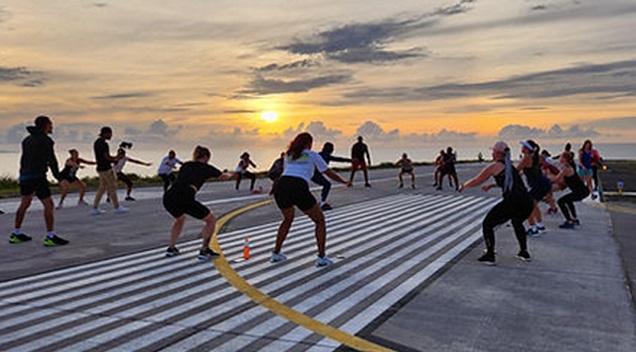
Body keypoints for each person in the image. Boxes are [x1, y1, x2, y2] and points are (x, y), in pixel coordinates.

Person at [271, 132, 351, 267]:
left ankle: (276, 253)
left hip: (281, 186)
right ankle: (321, 257)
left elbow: (284, 173)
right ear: (308, 143)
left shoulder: (288, 155)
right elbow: (328, 172)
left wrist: (274, 187)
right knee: (319, 220)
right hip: (298, 186)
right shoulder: (313, 155)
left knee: (287, 219)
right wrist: (344, 181)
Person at [458, 141, 534, 265]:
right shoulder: (510, 167)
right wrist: (492, 185)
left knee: (487, 224)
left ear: (498, 153)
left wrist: (463, 186)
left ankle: (490, 255)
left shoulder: (496, 166)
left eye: (493, 151)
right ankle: (524, 252)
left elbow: (478, 180)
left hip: (513, 202)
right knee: (517, 222)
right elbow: (510, 184)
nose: (492, 153)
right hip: (526, 202)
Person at [163, 146, 233, 259]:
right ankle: (204, 250)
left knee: (180, 219)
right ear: (206, 157)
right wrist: (231, 173)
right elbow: (223, 176)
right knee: (211, 220)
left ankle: (171, 248)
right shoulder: (205, 167)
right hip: (185, 195)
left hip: (169, 196)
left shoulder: (186, 165)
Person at [9, 115, 69, 246]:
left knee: (24, 203)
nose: (52, 126)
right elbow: (52, 161)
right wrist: (59, 178)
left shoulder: (26, 140)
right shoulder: (46, 141)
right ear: (46, 125)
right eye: (50, 124)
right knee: (49, 205)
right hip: (38, 177)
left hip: (24, 176)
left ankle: (16, 233)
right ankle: (50, 236)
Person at [517, 140, 552, 236]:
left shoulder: (526, 159)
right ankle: (540, 226)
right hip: (544, 183)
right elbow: (532, 168)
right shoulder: (538, 156)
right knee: (533, 205)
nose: (522, 148)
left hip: (538, 185)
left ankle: (533, 229)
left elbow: (515, 172)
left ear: (528, 149)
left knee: (527, 207)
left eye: (524, 146)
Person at [91, 126, 128, 215]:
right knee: (112, 187)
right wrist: (116, 158)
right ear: (105, 133)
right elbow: (106, 157)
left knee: (102, 188)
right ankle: (117, 207)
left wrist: (114, 158)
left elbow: (103, 156)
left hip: (100, 168)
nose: (111, 135)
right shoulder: (104, 144)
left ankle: (95, 207)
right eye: (110, 133)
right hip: (106, 169)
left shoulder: (97, 142)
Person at [312, 142, 352, 210]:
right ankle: (322, 203)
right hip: (313, 174)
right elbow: (338, 159)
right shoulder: (326, 156)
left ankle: (321, 202)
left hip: (313, 173)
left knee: (326, 184)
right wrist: (350, 160)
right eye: (332, 148)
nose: (333, 149)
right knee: (327, 184)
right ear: (329, 149)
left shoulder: (320, 154)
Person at [555, 151, 590, 229]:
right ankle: (574, 218)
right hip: (582, 191)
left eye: (560, 157)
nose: (559, 158)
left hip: (580, 192)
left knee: (560, 201)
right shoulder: (569, 166)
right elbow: (564, 181)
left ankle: (569, 221)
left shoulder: (565, 169)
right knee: (568, 200)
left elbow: (556, 179)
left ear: (564, 159)